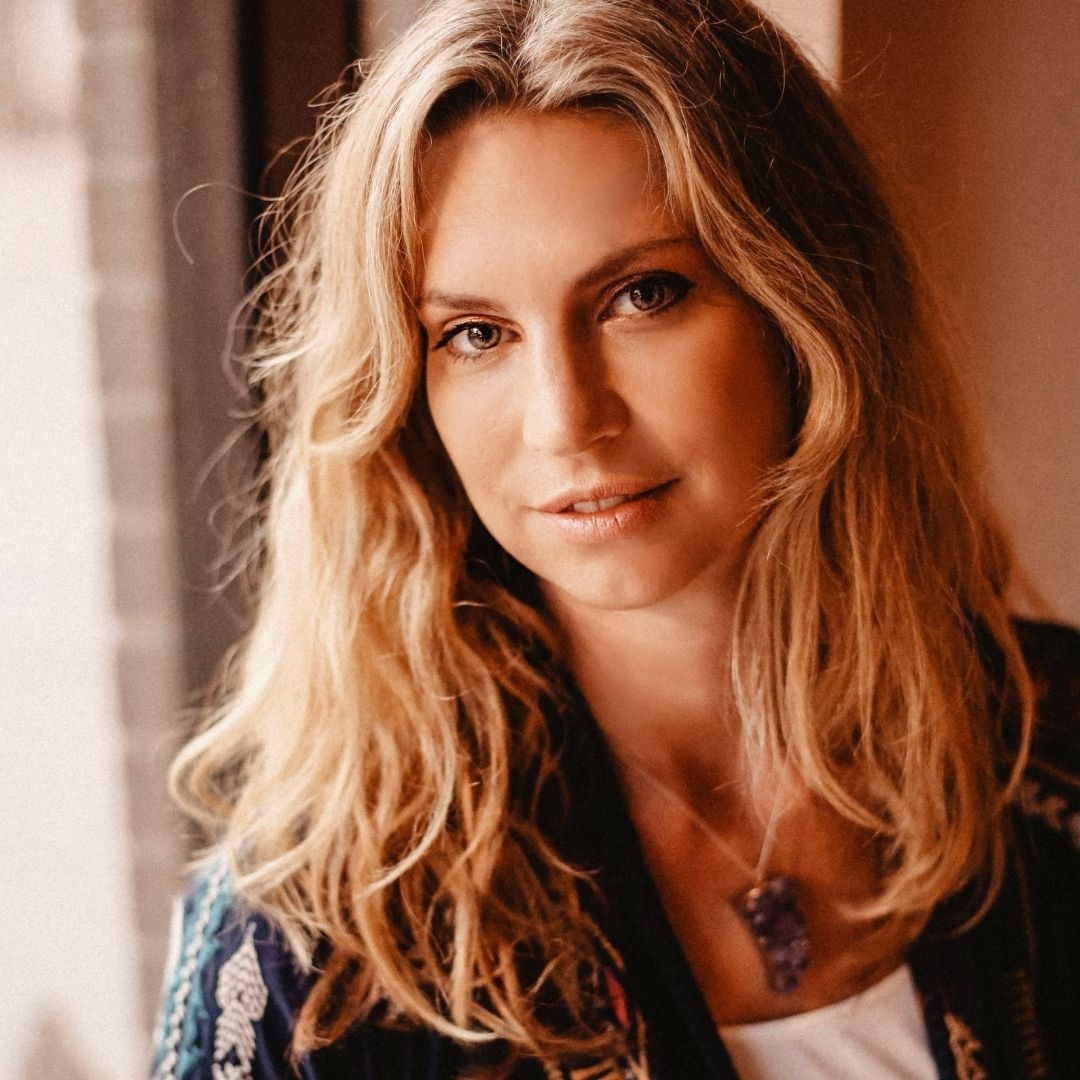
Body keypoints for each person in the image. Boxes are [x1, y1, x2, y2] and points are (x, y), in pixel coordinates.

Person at [150, 0, 1080, 1077]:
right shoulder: (307, 946)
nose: (565, 419)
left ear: (808, 310)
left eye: (643, 295)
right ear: (404, 391)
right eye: (475, 334)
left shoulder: (1049, 752)